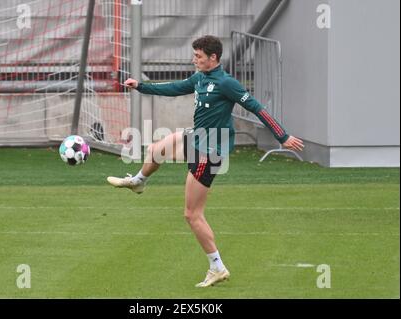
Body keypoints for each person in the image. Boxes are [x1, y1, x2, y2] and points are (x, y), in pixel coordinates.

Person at [107, 35, 304, 288]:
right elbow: (175, 88)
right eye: (194, 55)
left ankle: (217, 267)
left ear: (213, 57)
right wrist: (141, 86)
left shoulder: (226, 83)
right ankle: (138, 181)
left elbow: (257, 108)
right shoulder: (200, 78)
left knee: (192, 214)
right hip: (199, 139)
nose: (194, 60)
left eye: (198, 56)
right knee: (157, 149)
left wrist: (282, 136)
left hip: (211, 150)